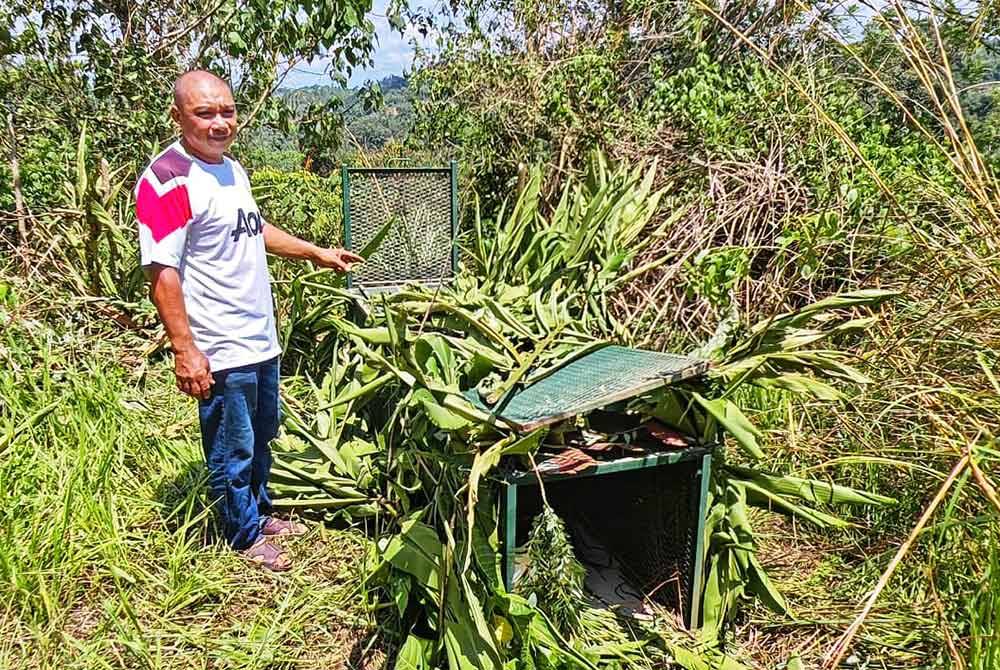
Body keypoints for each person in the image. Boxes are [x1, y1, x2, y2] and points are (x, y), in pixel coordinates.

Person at [134, 70, 362, 571]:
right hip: (220, 344)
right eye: (204, 113)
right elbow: (162, 272)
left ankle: (258, 511)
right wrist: (185, 349)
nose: (219, 122)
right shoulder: (168, 179)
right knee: (230, 446)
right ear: (178, 116)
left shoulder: (230, 170)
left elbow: (253, 229)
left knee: (262, 435)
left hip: (259, 337)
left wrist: (315, 252)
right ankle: (241, 534)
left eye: (227, 111)